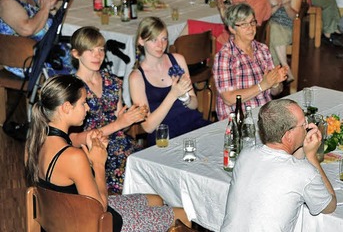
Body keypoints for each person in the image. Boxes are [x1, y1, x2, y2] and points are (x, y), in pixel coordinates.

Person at [25, 75, 189, 232]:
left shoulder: (34, 143)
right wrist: (98, 163)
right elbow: (100, 209)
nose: (88, 108)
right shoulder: (73, 156)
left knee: (156, 200)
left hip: (66, 216)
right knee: (184, 216)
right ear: (66, 107)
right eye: (83, 103)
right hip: (94, 224)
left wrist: (89, 157)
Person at [221, 99, 336, 231]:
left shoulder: (246, 154)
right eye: (303, 124)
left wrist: (301, 145)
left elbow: (288, 163)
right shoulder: (303, 173)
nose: (307, 126)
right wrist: (312, 157)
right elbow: (329, 206)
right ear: (288, 135)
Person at [69, 26, 147, 194]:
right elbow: (74, 140)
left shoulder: (112, 81)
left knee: (149, 165)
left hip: (120, 143)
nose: (98, 55)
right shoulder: (71, 88)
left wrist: (129, 118)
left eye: (101, 50)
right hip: (90, 153)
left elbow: (121, 124)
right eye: (90, 50)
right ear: (76, 54)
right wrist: (120, 123)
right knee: (138, 177)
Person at [129, 17, 210, 146]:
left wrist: (185, 97)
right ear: (141, 41)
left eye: (164, 39)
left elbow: (194, 105)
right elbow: (148, 126)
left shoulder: (178, 60)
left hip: (192, 125)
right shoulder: (137, 77)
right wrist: (173, 94)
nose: (160, 45)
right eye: (154, 40)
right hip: (165, 136)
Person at [213, 3, 287, 121]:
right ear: (232, 28)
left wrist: (275, 83)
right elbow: (228, 99)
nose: (251, 28)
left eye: (252, 22)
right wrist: (262, 85)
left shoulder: (262, 49)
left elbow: (275, 91)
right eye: (244, 24)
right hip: (237, 119)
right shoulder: (225, 57)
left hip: (264, 115)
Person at [0, 0, 73, 77]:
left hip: (50, 54)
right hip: (29, 61)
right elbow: (27, 29)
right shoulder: (6, 3)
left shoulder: (32, 0)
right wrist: (45, 8)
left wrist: (51, 5)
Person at [266, 0, 302, 81]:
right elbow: (263, 14)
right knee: (273, 27)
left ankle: (276, 79)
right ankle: (285, 69)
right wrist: (276, 7)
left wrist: (286, 5)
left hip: (288, 27)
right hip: (269, 25)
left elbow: (294, 17)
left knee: (273, 32)